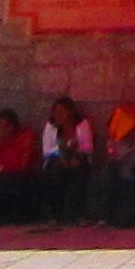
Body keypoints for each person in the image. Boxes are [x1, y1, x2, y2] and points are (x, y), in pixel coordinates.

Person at [40, 96, 96, 225]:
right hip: (56, 159)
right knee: (55, 172)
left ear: (70, 112)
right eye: (55, 112)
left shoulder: (82, 125)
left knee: (78, 172)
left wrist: (75, 153)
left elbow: (88, 147)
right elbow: (47, 150)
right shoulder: (50, 127)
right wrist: (61, 151)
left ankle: (73, 214)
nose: (57, 115)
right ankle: (55, 215)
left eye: (61, 112)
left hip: (78, 157)